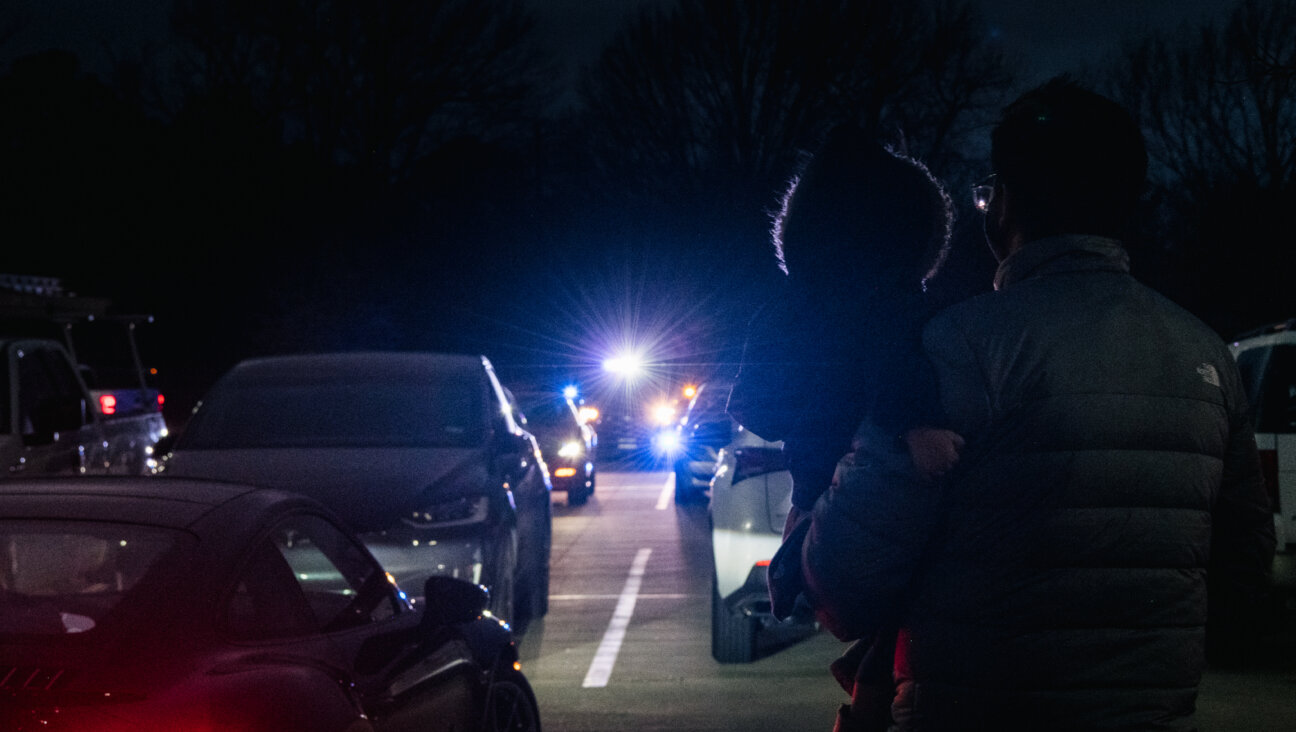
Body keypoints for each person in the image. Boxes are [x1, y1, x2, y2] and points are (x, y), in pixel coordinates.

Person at [799, 76, 1276, 731]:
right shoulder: (1207, 356)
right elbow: (1241, 576)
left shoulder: (953, 348)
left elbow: (845, 578)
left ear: (1005, 205)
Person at [725, 125, 962, 731]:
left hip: (814, 480)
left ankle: (795, 587)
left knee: (824, 557)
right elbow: (899, 364)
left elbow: (759, 404)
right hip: (883, 485)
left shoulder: (787, 305)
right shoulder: (903, 307)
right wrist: (913, 425)